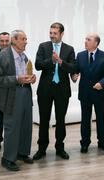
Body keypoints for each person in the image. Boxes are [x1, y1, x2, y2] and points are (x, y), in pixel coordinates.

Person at [0, 30, 36, 171]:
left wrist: (31, 79)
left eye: (26, 39)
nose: (26, 41)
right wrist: (17, 79)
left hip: (25, 93)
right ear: (14, 40)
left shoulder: (24, 56)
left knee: (25, 125)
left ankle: (22, 153)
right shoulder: (3, 56)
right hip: (12, 95)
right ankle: (8, 158)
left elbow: (26, 74)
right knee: (12, 128)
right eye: (23, 39)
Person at [34, 22, 76, 160]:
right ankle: (41, 149)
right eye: (50, 33)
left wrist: (60, 62)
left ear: (62, 34)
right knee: (44, 120)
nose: (52, 35)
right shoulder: (43, 46)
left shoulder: (69, 49)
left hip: (62, 90)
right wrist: (51, 61)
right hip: (45, 90)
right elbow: (38, 65)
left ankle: (60, 147)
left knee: (60, 120)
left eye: (55, 33)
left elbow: (73, 68)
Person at [72, 34, 104, 153]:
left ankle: (102, 142)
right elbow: (75, 71)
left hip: (99, 93)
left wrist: (102, 83)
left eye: (88, 40)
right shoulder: (80, 55)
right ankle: (85, 143)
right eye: (85, 39)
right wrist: (74, 76)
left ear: (96, 43)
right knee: (85, 119)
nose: (85, 41)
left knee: (100, 119)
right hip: (85, 93)